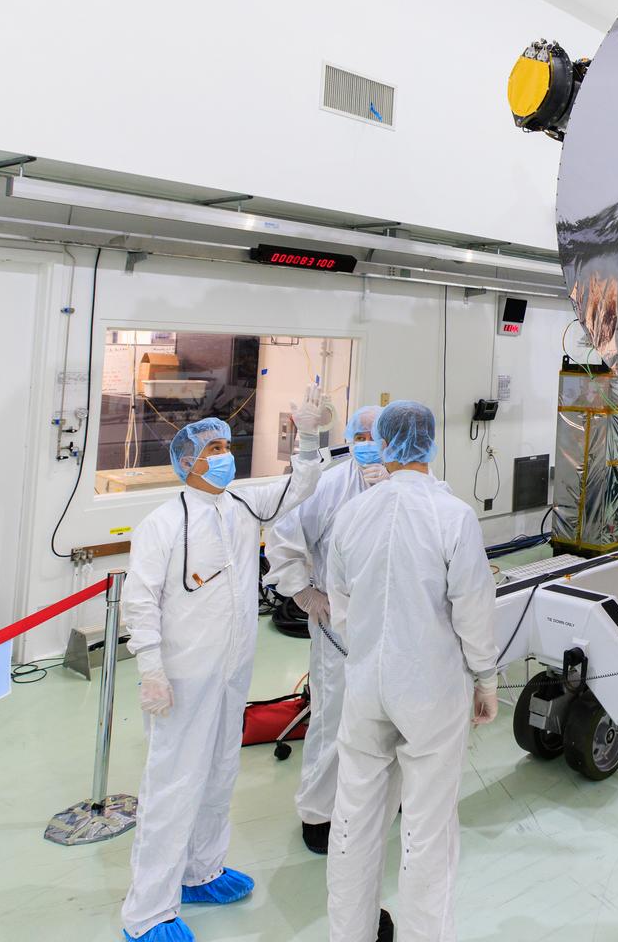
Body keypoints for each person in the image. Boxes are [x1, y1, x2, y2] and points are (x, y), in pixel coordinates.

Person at [119, 389, 334, 942]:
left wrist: (308, 435)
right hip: (182, 678)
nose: (224, 455)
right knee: (173, 786)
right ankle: (148, 912)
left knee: (219, 774)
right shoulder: (163, 523)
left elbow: (300, 486)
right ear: (187, 462)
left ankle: (201, 871)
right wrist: (151, 670)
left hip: (231, 673)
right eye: (212, 449)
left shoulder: (241, 503)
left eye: (225, 446)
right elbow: (140, 603)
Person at [323, 400, 500, 942]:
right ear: (430, 442)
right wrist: (485, 678)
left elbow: (341, 605)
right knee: (427, 828)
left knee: (353, 821)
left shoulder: (353, 514)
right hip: (430, 692)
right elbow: (473, 610)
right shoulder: (453, 516)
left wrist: (370, 651)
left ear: (385, 444)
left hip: (364, 686)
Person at [262, 404, 389, 853]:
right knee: (334, 716)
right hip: (338, 623)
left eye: (378, 436)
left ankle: (382, 798)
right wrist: (303, 594)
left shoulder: (411, 485)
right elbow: (283, 537)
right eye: (361, 436)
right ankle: (319, 814)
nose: (369, 445)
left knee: (387, 716)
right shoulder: (330, 485)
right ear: (350, 438)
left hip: (394, 623)